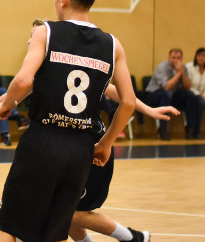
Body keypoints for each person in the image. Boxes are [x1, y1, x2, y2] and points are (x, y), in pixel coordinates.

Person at [0, 0, 135, 242]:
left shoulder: (46, 31)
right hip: (81, 148)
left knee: (8, 223)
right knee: (55, 232)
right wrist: (105, 143)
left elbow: (21, 81)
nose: (55, 0)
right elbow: (129, 102)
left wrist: (6, 105)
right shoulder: (113, 45)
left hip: (43, 139)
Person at [67, 82, 179, 242]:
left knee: (65, 212)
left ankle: (133, 238)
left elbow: (120, 95)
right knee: (69, 212)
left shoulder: (88, 66)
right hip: (65, 147)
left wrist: (149, 110)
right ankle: (133, 238)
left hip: (93, 147)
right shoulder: (53, 69)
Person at [144, 48, 192, 140]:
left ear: (182, 59)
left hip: (170, 95)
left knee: (189, 95)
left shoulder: (183, 68)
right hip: (153, 95)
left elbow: (188, 86)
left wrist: (182, 73)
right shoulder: (162, 67)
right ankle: (162, 129)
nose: (176, 60)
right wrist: (178, 73)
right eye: (173, 57)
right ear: (169, 58)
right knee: (165, 94)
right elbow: (166, 87)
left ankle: (190, 128)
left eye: (178, 58)